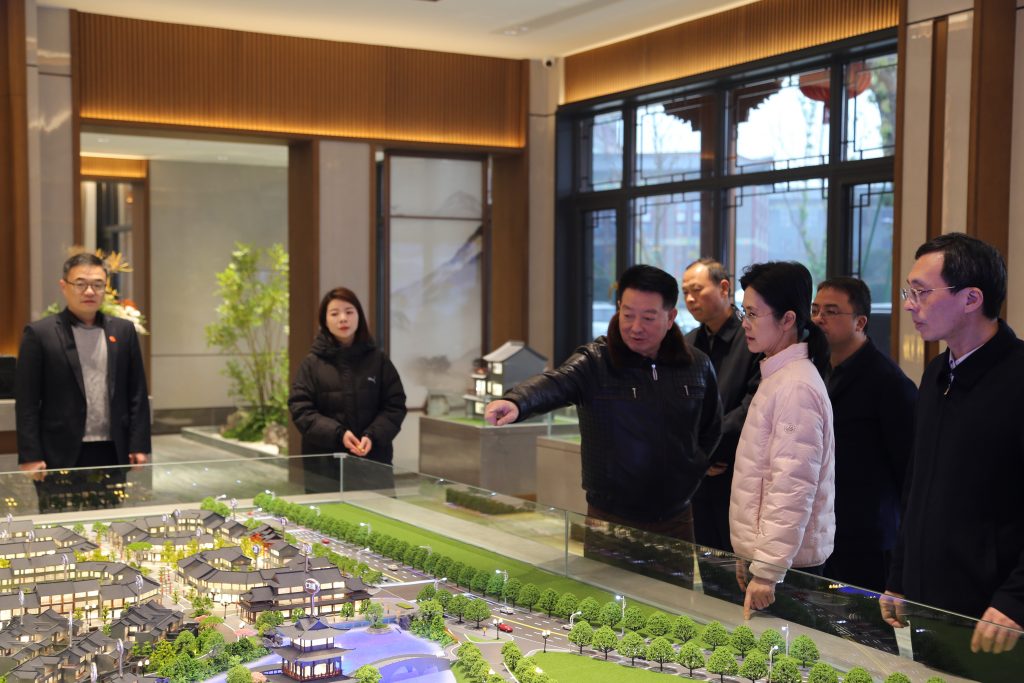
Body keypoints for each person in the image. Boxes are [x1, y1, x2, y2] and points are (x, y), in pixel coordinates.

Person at [485, 264, 722, 546]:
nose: (635, 327)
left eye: (648, 317)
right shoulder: (596, 361)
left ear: (670, 317)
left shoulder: (696, 364)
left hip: (677, 517)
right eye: (628, 314)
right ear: (619, 308)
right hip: (610, 518)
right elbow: (557, 382)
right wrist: (517, 401)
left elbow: (711, 427)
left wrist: (690, 470)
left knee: (674, 578)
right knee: (605, 578)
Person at [881, 233, 1024, 681]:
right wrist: (899, 576)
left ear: (971, 299)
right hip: (929, 604)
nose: (909, 305)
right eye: (908, 292)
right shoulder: (935, 373)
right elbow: (916, 484)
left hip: (996, 616)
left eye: (921, 292)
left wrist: (1015, 600)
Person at [730, 261, 835, 620]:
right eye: (744, 312)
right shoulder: (778, 374)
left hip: (789, 567)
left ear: (788, 319)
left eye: (753, 313)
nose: (745, 323)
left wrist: (767, 569)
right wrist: (752, 555)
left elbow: (792, 486)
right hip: (776, 560)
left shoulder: (796, 386)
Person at [15, 253, 151, 511]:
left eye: (98, 284)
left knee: (109, 521)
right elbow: (27, 403)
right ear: (64, 286)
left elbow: (136, 392)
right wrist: (30, 454)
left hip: (111, 449)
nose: (90, 291)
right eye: (80, 283)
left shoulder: (123, 331)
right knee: (59, 521)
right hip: (58, 452)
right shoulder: (40, 334)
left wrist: (139, 445)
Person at [811, 277, 916, 593]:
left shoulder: (888, 382)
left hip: (869, 535)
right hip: (824, 525)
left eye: (831, 311)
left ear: (860, 322)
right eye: (815, 310)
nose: (819, 319)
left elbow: (909, 470)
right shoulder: (816, 370)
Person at [289, 287, 407, 493]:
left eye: (349, 312)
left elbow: (395, 405)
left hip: (373, 461)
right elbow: (301, 410)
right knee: (328, 513)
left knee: (377, 511)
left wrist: (372, 435)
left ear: (359, 316)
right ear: (325, 321)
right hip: (325, 466)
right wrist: (338, 434)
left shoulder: (378, 360)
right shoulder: (312, 364)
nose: (343, 318)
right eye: (334, 313)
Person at [682, 258, 760, 554]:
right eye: (685, 292)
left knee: (739, 564)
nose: (690, 299)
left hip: (740, 473)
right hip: (699, 475)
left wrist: (706, 449)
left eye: (697, 290)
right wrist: (699, 457)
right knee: (706, 561)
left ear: (724, 288)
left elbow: (752, 407)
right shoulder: (687, 343)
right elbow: (677, 408)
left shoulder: (751, 338)